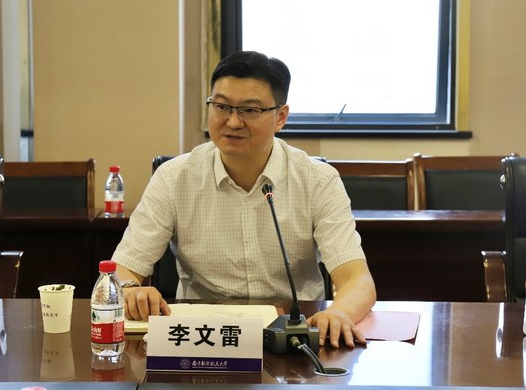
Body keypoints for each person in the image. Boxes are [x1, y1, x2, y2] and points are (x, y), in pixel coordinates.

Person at [112, 50, 376, 348]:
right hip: (204, 340)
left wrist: (338, 313)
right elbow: (122, 269)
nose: (233, 122)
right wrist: (131, 290)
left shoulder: (318, 180)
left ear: (281, 117)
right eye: (222, 107)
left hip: (291, 338)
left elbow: (357, 280)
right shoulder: (173, 178)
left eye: (250, 110)